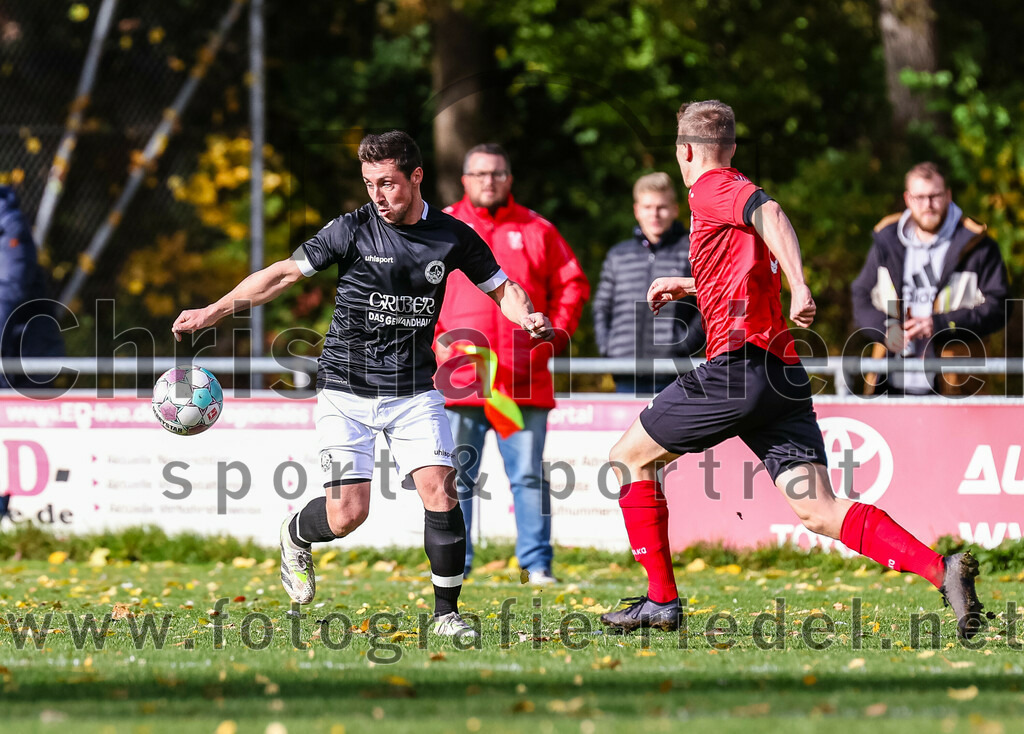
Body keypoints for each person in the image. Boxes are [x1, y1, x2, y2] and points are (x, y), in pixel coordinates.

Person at [598, 101, 987, 640]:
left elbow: (771, 212)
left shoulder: (711, 187)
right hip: (781, 375)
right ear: (731, 145)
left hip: (737, 368)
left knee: (628, 458)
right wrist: (688, 285)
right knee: (820, 509)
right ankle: (938, 570)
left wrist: (800, 285)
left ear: (685, 150)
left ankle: (661, 601)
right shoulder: (729, 195)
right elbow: (747, 260)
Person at [172, 131, 553, 639]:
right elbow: (284, 275)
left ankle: (446, 615)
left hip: (415, 390)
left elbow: (503, 288)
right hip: (345, 389)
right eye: (370, 183)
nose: (378, 195)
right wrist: (214, 310)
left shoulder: (452, 236)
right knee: (348, 515)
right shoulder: (351, 229)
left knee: (441, 490)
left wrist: (525, 318)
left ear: (416, 177)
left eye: (389, 183)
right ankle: (294, 534)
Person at [434, 143, 589, 583]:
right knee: (455, 481)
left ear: (509, 179)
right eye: (480, 174)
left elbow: (571, 284)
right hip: (461, 380)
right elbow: (412, 289)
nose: (489, 181)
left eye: (498, 174)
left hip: (523, 381)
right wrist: (435, 343)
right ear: (465, 179)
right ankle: (453, 568)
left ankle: (536, 566)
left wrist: (551, 338)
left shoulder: (538, 229)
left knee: (527, 478)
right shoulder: (440, 228)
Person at [851, 162, 1010, 395]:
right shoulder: (887, 240)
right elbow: (860, 295)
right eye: (920, 197)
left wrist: (941, 324)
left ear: (948, 196)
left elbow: (999, 307)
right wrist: (886, 329)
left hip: (955, 384)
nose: (928, 205)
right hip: (891, 383)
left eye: (935, 196)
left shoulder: (976, 245)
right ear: (907, 199)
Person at [593, 172, 704, 395]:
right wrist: (608, 348)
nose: (655, 214)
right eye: (647, 207)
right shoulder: (618, 255)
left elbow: (708, 304)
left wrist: (682, 349)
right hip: (624, 371)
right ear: (636, 210)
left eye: (661, 207)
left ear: (675, 209)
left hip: (674, 374)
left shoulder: (692, 251)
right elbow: (601, 307)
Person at [1, 186, 65, 525]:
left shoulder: (9, 226)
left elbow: (9, 292)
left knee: (15, 437)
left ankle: (20, 521)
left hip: (25, 357)